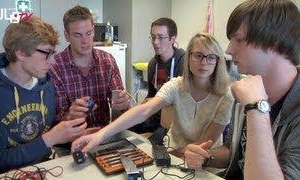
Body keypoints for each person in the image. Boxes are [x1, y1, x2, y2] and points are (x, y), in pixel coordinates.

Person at [183, 0, 300, 180]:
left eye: (239, 39)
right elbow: (235, 152)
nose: (229, 49)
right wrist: (205, 158)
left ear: (275, 41)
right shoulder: (246, 91)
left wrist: (257, 109)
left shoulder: (256, 101)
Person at [71, 33, 234, 156]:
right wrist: (100, 135)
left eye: (211, 57)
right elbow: (145, 110)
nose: (204, 62)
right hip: (172, 152)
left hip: (202, 159)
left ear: (218, 61)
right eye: (198, 55)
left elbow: (205, 143)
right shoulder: (176, 85)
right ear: (189, 58)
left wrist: (169, 156)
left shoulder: (225, 96)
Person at [0, 16, 87, 174]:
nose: (53, 62)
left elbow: (47, 131)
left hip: (47, 169)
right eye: (46, 54)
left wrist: (69, 126)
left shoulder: (46, 84)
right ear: (21, 53)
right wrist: (50, 139)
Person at [50, 5, 130, 130]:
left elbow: (118, 107)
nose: (85, 41)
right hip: (70, 139)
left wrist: (123, 105)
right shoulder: (55, 66)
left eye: (88, 33)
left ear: (93, 31)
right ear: (67, 36)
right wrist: (70, 116)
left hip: (103, 135)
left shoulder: (107, 61)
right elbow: (53, 120)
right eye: (77, 35)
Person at [129, 18, 185, 138]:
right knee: (127, 129)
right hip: (155, 114)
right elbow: (151, 94)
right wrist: (137, 110)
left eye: (160, 37)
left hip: (173, 119)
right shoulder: (153, 64)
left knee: (156, 140)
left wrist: (155, 103)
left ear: (173, 39)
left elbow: (184, 101)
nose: (155, 42)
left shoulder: (184, 62)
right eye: (153, 37)